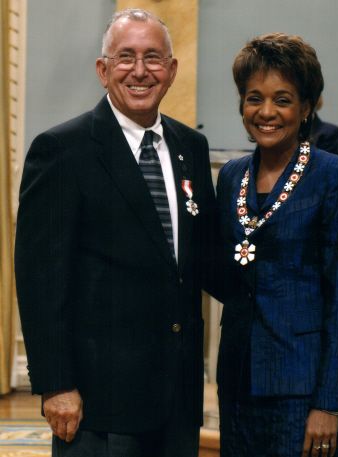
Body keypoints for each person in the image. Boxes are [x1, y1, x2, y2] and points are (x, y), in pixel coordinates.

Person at [15, 9, 216, 457]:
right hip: (96, 406)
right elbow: (40, 281)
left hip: (176, 403)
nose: (140, 71)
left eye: (153, 58)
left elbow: (200, 260)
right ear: (103, 70)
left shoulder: (191, 148)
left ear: (172, 70)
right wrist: (55, 385)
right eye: (126, 57)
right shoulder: (62, 151)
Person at [216, 33, 338, 457]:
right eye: (254, 98)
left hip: (302, 389)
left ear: (305, 108)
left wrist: (329, 403)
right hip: (236, 382)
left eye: (282, 99)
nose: (266, 112)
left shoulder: (334, 176)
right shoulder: (231, 176)